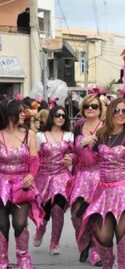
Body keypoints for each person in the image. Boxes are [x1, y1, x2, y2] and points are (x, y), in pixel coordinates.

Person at [81, 98, 125, 269]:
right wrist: (85, 145)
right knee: (103, 236)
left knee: (122, 232)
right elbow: (91, 161)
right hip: (104, 192)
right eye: (117, 110)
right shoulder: (101, 135)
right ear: (110, 113)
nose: (121, 114)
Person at [0, 100, 43, 268]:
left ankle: (23, 260)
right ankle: (2, 261)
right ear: (10, 114)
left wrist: (32, 175)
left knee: (19, 222)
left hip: (21, 185)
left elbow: (34, 159)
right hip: (1, 185)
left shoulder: (29, 134)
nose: (24, 114)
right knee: (2, 224)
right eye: (20, 111)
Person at [33, 106, 74, 255]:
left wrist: (72, 159)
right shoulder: (40, 136)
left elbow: (76, 154)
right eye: (57, 115)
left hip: (62, 177)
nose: (61, 118)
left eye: (63, 115)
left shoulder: (69, 135)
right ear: (52, 116)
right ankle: (41, 229)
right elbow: (34, 158)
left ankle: (54, 243)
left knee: (58, 209)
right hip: (43, 177)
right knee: (45, 210)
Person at [70, 94, 103, 266]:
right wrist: (71, 158)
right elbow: (75, 154)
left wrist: (94, 142)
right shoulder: (78, 127)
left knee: (96, 216)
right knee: (77, 213)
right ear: (83, 109)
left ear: (100, 109)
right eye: (87, 106)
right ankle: (84, 244)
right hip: (81, 177)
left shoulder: (105, 128)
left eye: (94, 106)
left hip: (100, 176)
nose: (90, 109)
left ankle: (96, 251)